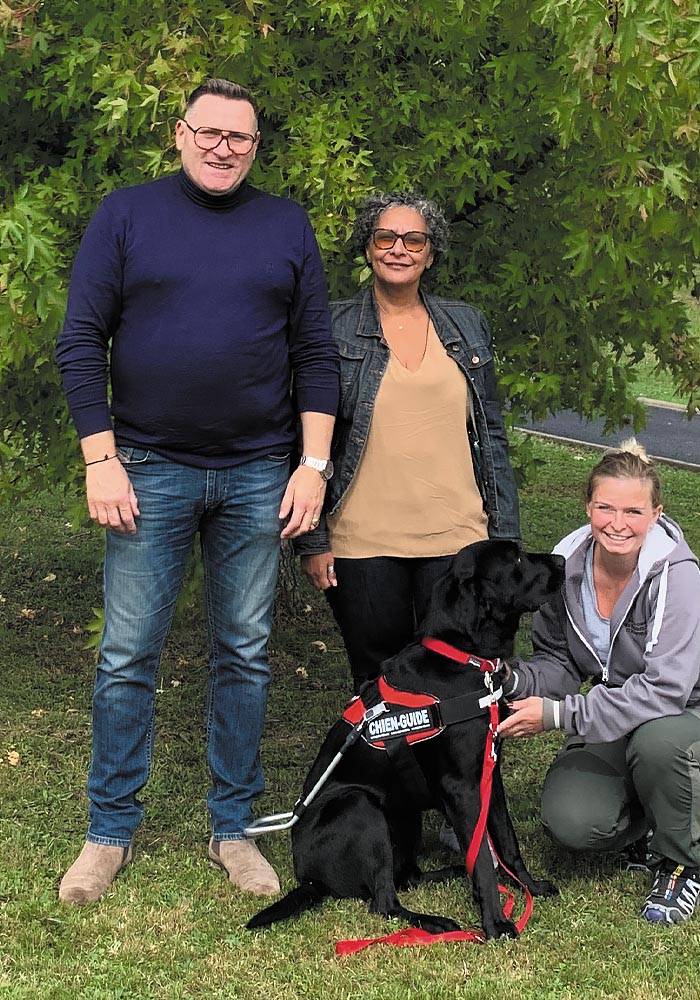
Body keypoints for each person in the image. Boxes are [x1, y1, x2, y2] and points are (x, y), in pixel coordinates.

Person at [55, 79, 339, 905]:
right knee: (127, 656)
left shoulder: (285, 224)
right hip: (146, 468)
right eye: (209, 132)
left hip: (260, 472)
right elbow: (81, 338)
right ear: (179, 134)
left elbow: (315, 353)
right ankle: (108, 832)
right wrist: (98, 458)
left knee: (244, 653)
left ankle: (233, 829)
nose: (224, 148)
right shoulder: (128, 212)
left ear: (256, 146)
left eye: (240, 138)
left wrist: (311, 469)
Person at [497, 440, 700, 925]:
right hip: (623, 724)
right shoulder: (565, 567)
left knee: (660, 740)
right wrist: (512, 680)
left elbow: (665, 692)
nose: (617, 522)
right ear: (588, 507)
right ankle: (650, 821)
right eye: (605, 507)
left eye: (633, 510)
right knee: (572, 821)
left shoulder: (677, 575)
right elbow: (559, 662)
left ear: (656, 514)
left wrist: (557, 715)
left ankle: (679, 864)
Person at [294, 191, 520, 692]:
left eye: (413, 239)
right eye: (386, 237)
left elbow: (492, 435)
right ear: (368, 248)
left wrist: (505, 540)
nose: (399, 248)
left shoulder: (467, 324)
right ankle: (385, 774)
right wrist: (313, 539)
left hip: (458, 537)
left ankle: (456, 774)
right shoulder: (331, 328)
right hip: (361, 543)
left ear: (430, 252)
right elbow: (306, 437)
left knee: (458, 680)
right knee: (381, 684)